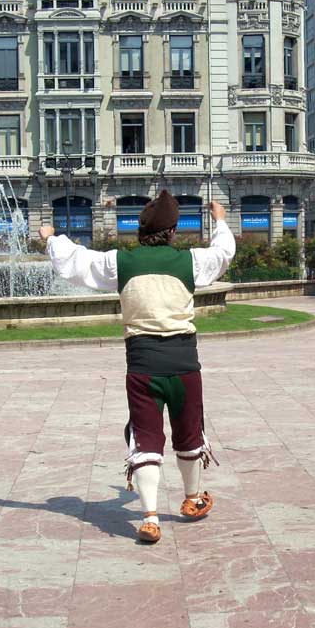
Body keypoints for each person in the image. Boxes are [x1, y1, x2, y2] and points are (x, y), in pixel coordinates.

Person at [41, 191, 235, 544]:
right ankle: (192, 500)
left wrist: (52, 237)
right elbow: (222, 254)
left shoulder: (121, 263)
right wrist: (220, 218)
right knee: (189, 432)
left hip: (142, 366)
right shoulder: (189, 261)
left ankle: (149, 518)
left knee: (146, 438)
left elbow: (77, 262)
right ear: (173, 232)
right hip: (184, 364)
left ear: (140, 232)